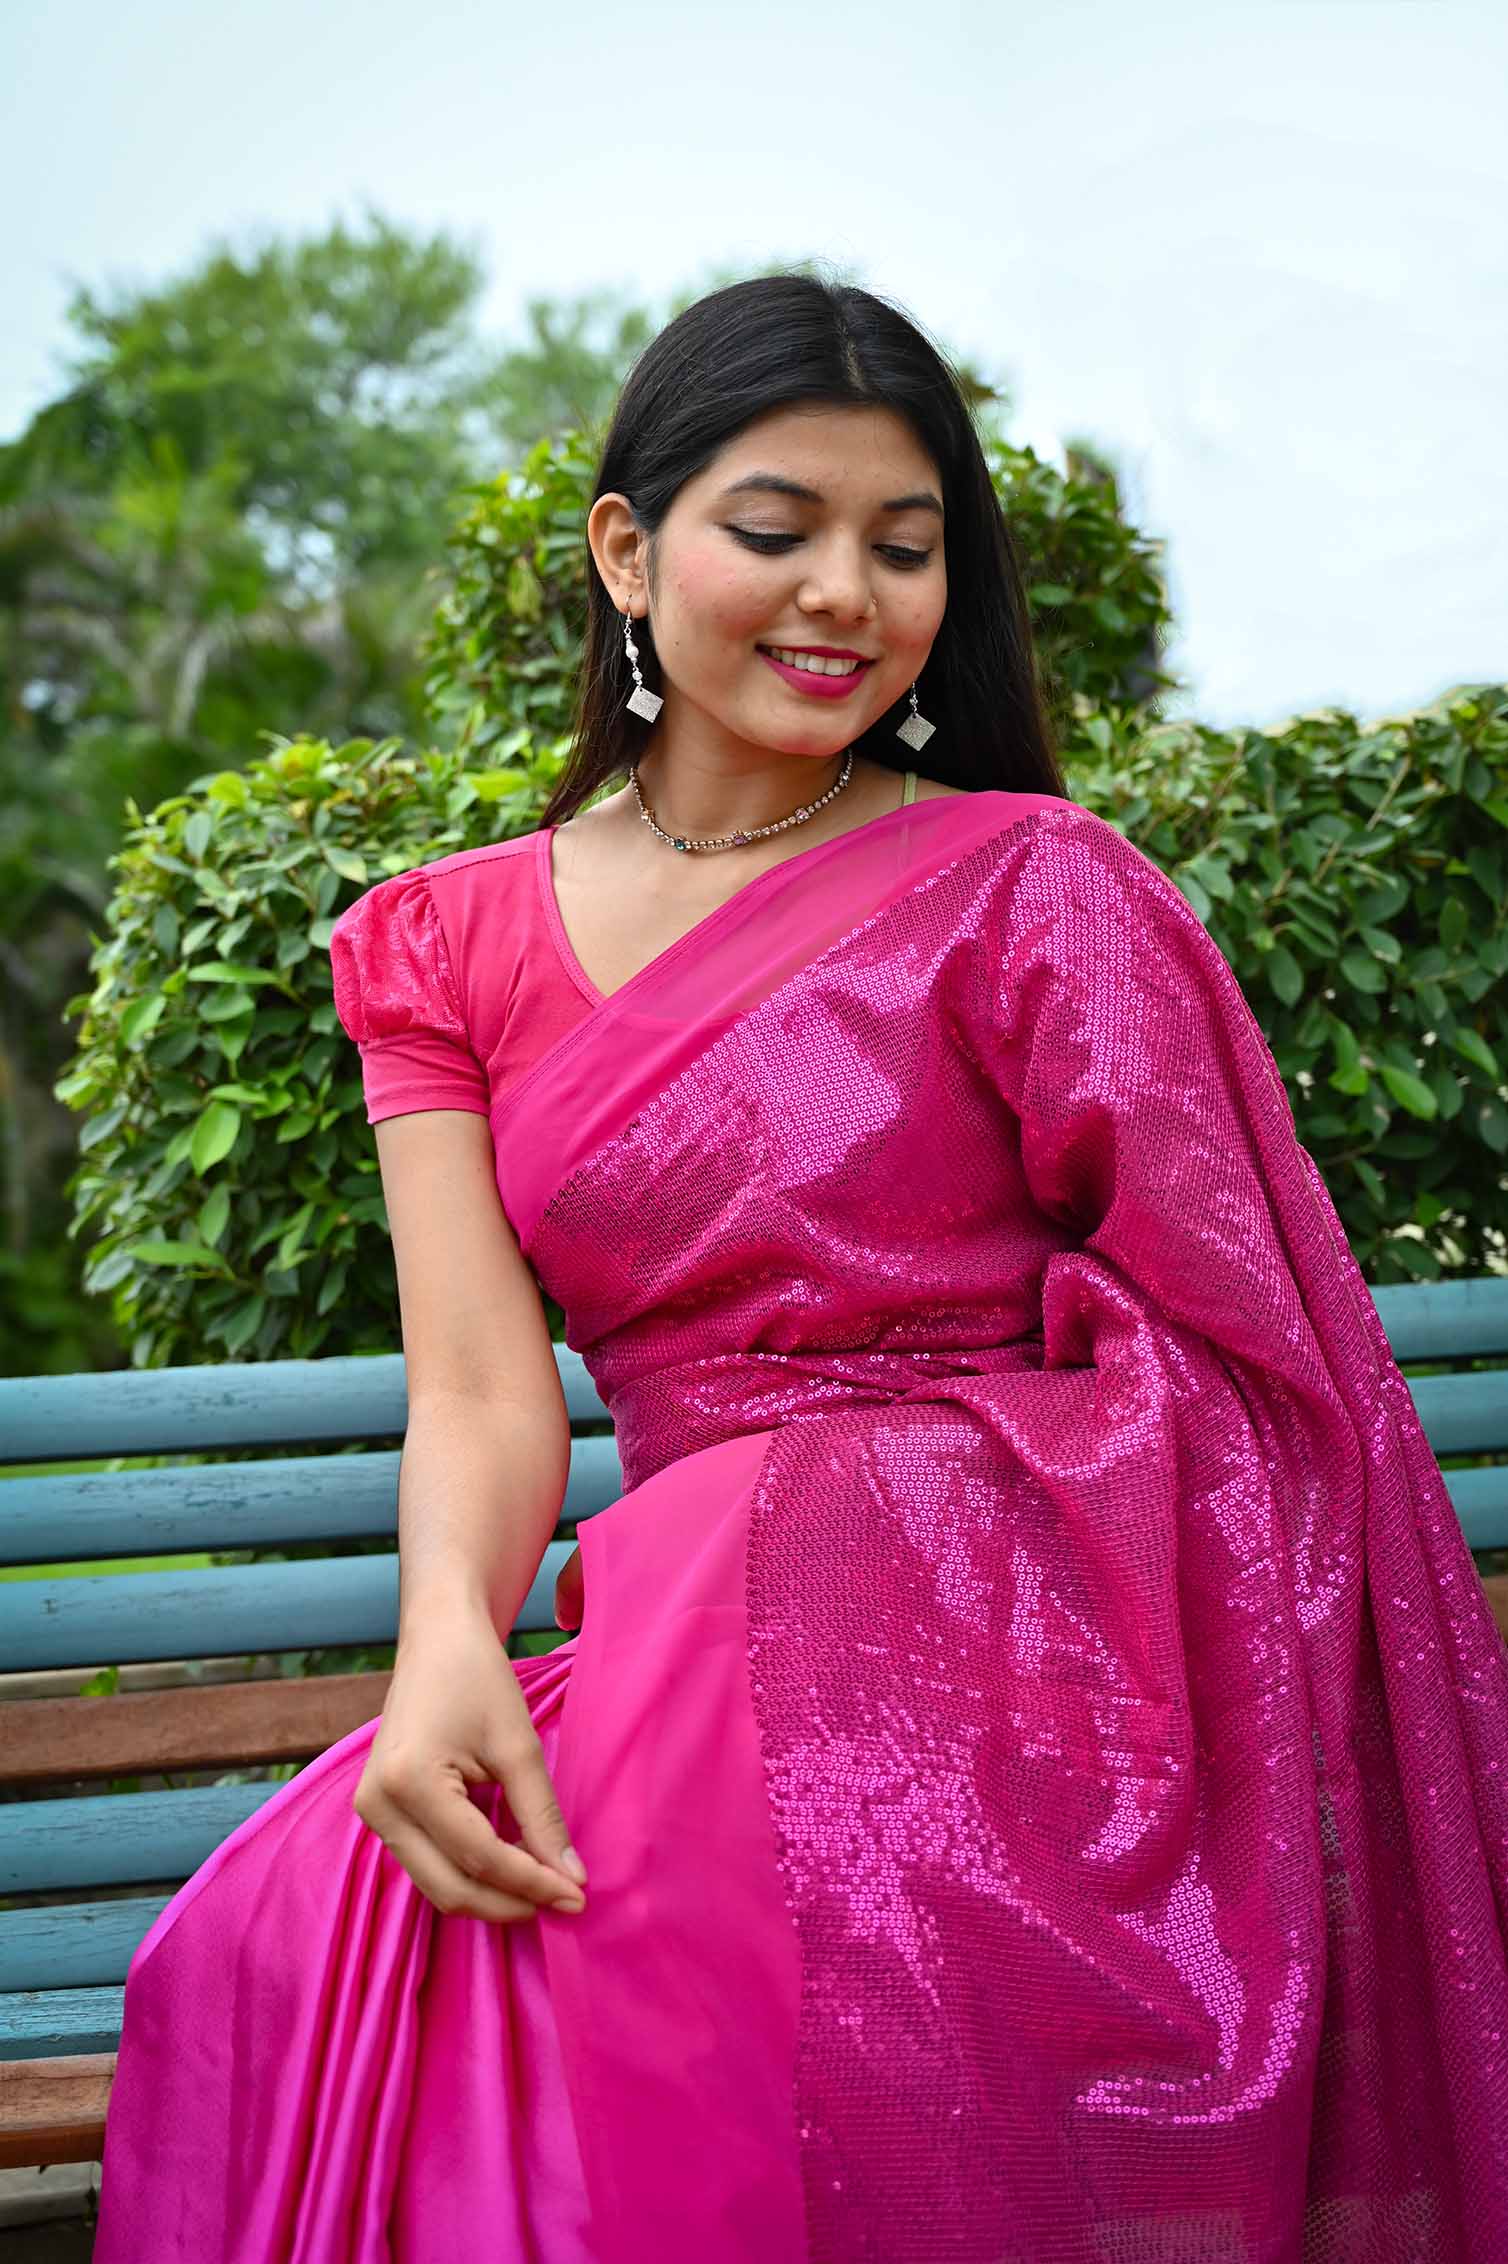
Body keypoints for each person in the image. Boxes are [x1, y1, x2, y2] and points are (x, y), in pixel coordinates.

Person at [94, 273, 1508, 2263]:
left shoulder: (1035, 887)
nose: (845, 592)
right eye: (777, 529)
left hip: (1026, 1645)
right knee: (263, 1948)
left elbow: (1247, 1351)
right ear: (626, 552)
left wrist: (867, 1493)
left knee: (664, 1937)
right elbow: (482, 1388)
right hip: (699, 1636)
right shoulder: (441, 947)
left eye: (904, 547)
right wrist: (442, 1647)